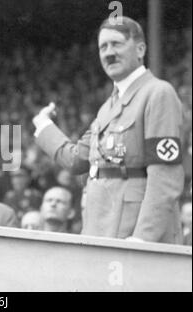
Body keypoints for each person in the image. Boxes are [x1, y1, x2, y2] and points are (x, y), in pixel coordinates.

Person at [32, 17, 184, 244]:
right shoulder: (107, 108)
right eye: (103, 47)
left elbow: (165, 176)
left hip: (133, 231)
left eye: (117, 44)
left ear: (140, 49)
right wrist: (44, 126)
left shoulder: (158, 93)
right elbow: (77, 160)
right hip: (99, 227)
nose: (108, 53)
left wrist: (143, 238)